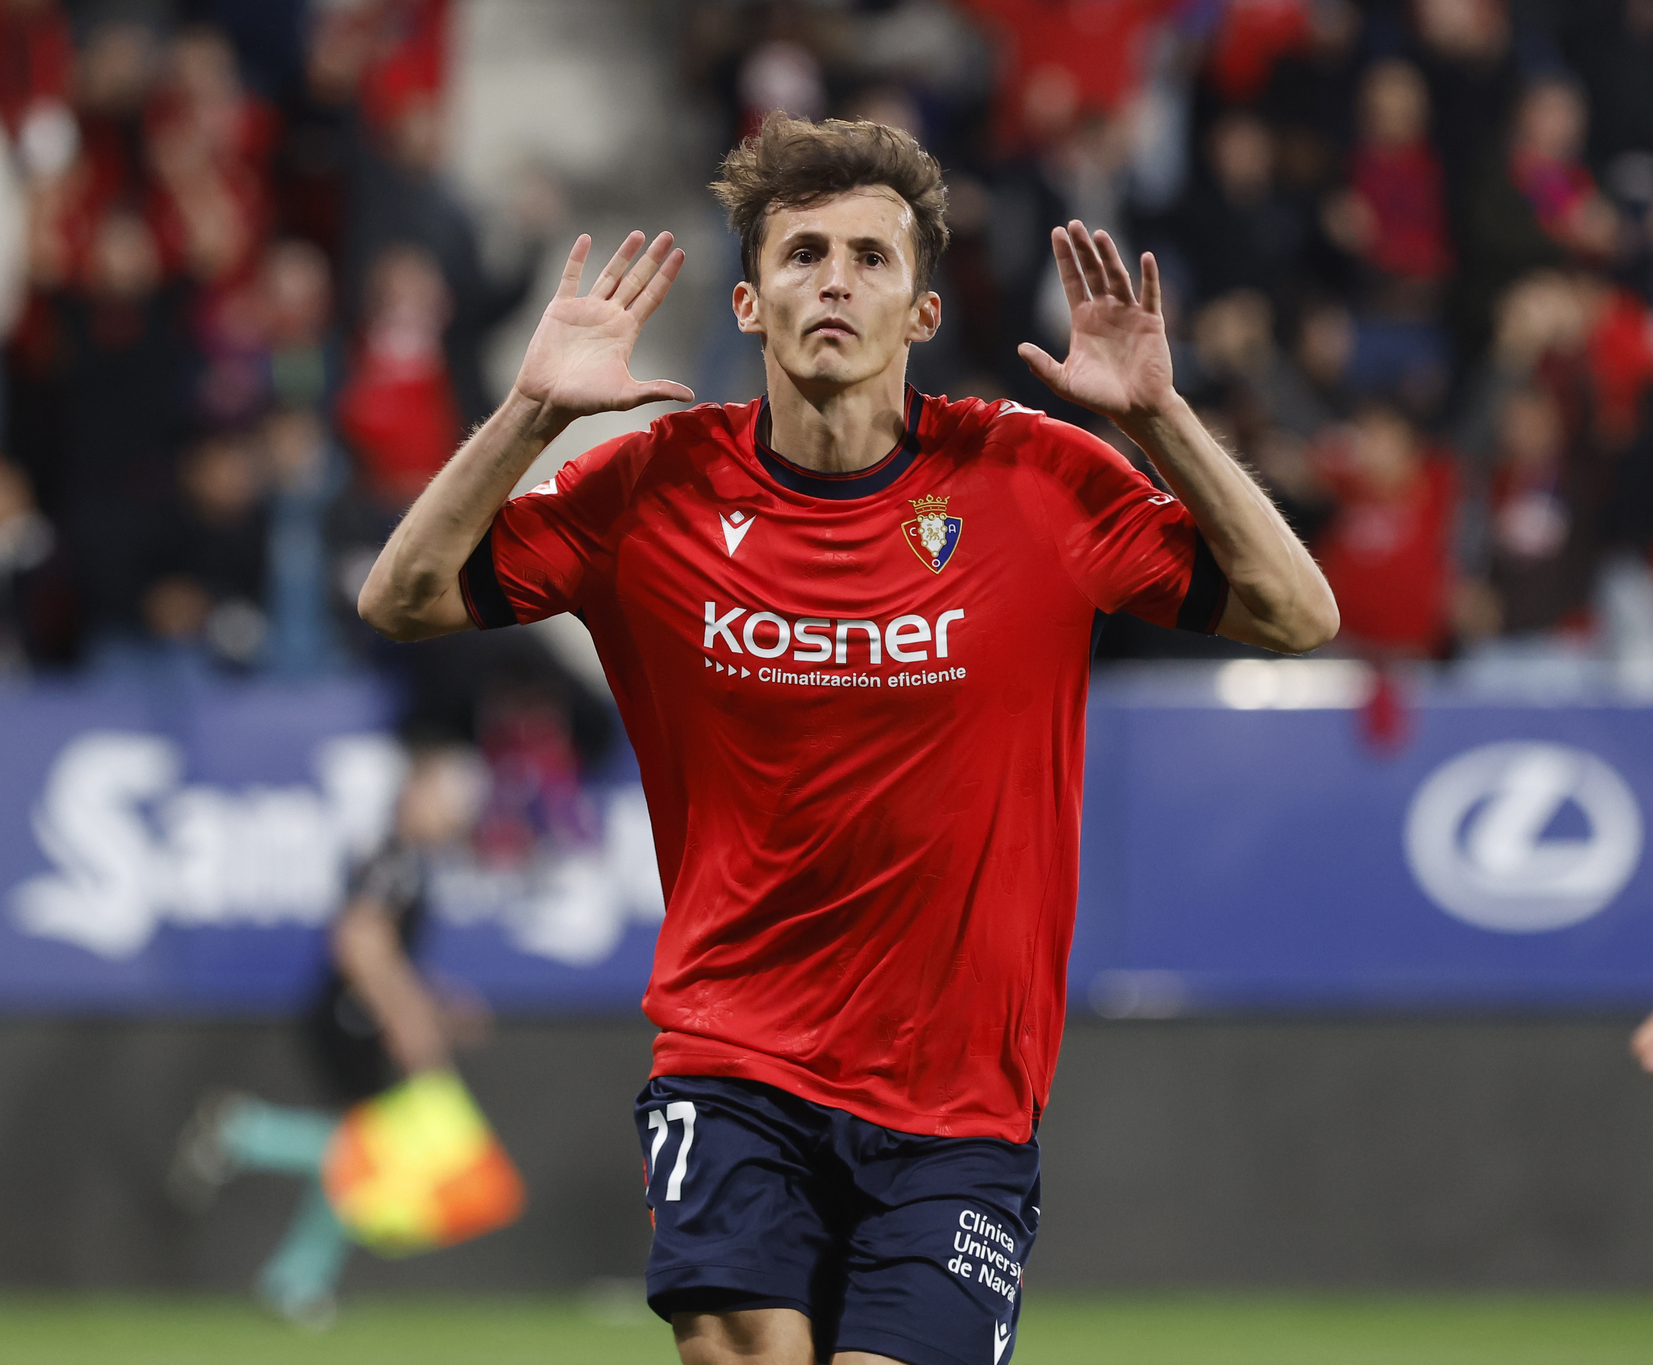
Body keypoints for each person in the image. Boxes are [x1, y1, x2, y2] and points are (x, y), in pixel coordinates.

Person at [357, 114, 1337, 1365]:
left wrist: (1156, 421)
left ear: (920, 312)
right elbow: (400, 599)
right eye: (801, 253)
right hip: (732, 1056)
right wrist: (531, 414)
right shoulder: (651, 488)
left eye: (870, 259)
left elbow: (1296, 613)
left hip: (962, 1097)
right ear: (750, 305)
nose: (833, 279)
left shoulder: (1030, 479)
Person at [168, 744, 485, 1324]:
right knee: (363, 1153)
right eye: (446, 796)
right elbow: (358, 943)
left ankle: (296, 1277)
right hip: (350, 1017)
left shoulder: (405, 861)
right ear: (413, 794)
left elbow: (385, 950)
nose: (456, 812)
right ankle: (245, 1133)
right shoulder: (392, 858)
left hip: (355, 1014)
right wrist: (407, 1019)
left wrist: (434, 1001)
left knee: (358, 1159)